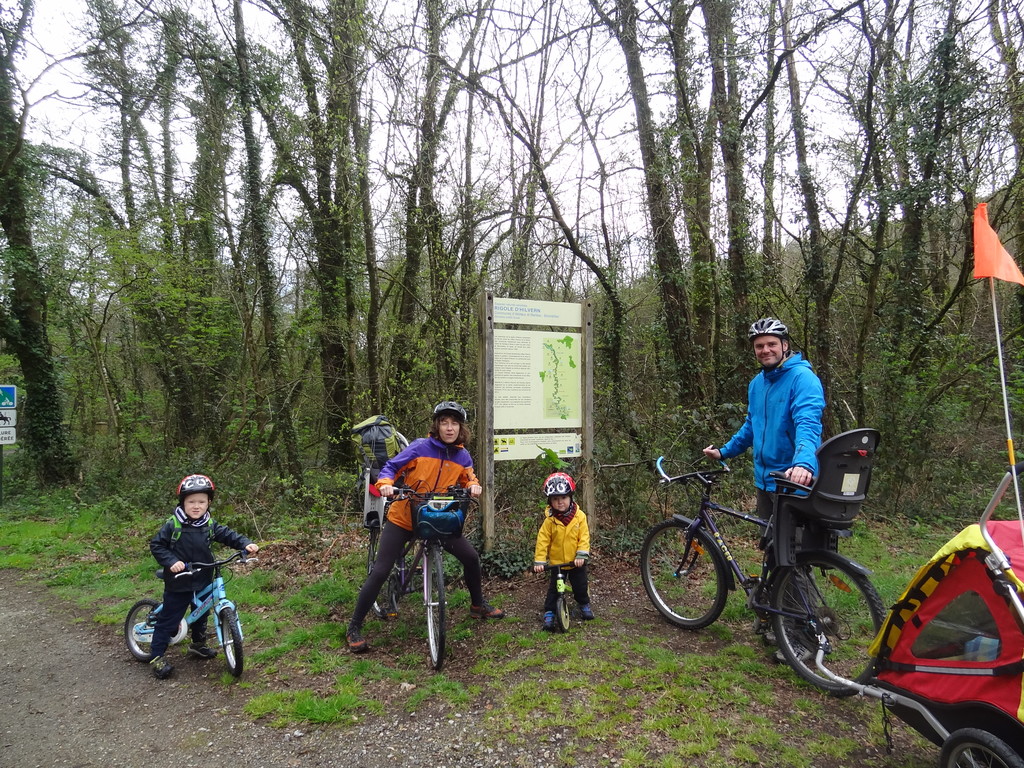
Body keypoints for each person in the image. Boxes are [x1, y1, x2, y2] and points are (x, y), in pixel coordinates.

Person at [346, 401, 505, 653]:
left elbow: (468, 477)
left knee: (471, 557)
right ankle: (354, 626)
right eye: (444, 423)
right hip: (404, 518)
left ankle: (477, 606)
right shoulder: (420, 447)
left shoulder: (462, 456)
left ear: (461, 428)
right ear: (437, 426)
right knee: (381, 570)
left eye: (454, 423)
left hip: (437, 518)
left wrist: (473, 485)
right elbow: (391, 467)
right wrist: (385, 483)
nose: (449, 428)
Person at [703, 318, 825, 521]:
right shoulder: (757, 384)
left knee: (795, 541)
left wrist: (803, 464)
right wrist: (724, 452)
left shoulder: (803, 378)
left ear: (784, 345)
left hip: (794, 481)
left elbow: (808, 424)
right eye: (759, 346)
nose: (765, 350)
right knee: (768, 539)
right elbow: (752, 426)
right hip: (764, 481)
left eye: (771, 344)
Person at [148, 474, 259, 680]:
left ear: (209, 503)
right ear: (183, 503)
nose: (196, 506)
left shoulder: (209, 524)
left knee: (201, 613)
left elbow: (228, 535)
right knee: (170, 619)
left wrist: (245, 543)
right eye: (191, 502)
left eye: (201, 501)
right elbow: (157, 545)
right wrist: (171, 562)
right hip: (179, 580)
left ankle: (198, 644)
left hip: (203, 575)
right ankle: (157, 656)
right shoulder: (173, 525)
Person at [532, 471, 593, 628]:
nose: (560, 502)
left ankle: (584, 604)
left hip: (575, 561)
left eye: (563, 498)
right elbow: (543, 541)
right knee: (554, 590)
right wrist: (540, 561)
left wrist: (581, 555)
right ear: (550, 501)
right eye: (555, 499)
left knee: (580, 585)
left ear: (570, 497)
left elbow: (584, 537)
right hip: (557, 562)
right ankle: (550, 611)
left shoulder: (580, 517)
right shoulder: (550, 521)